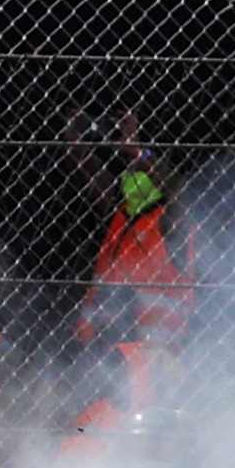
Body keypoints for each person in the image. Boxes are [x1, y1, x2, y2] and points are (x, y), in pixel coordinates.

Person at [62, 106, 192, 406]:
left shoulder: (169, 220)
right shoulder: (122, 214)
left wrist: (137, 151)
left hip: (155, 351)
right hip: (103, 347)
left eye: (139, 170)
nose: (130, 175)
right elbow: (92, 172)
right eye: (129, 170)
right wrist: (75, 140)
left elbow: (178, 192)